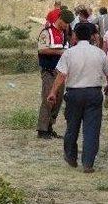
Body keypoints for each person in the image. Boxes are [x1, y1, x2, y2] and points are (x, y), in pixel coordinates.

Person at [47, 25, 108, 173]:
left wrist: (53, 92)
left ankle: (71, 156)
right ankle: (88, 163)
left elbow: (61, 76)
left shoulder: (69, 53)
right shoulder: (99, 53)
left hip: (74, 94)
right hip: (93, 93)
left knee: (72, 127)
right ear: (91, 37)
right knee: (91, 130)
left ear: (75, 36)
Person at [37, 9, 75, 139]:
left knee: (58, 101)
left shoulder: (64, 34)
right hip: (49, 71)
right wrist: (60, 52)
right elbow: (42, 49)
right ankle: (42, 129)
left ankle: (50, 126)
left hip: (60, 72)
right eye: (66, 23)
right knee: (48, 99)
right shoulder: (46, 32)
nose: (67, 25)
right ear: (60, 19)